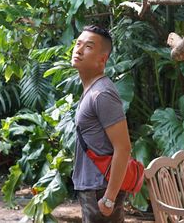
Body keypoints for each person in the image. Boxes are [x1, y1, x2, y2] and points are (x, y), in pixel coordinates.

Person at [71, 25, 132, 222]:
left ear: (102, 59)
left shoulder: (102, 93)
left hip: (100, 189)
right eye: (78, 44)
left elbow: (123, 147)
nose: (79, 50)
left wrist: (109, 198)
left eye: (88, 46)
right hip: (92, 187)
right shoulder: (91, 89)